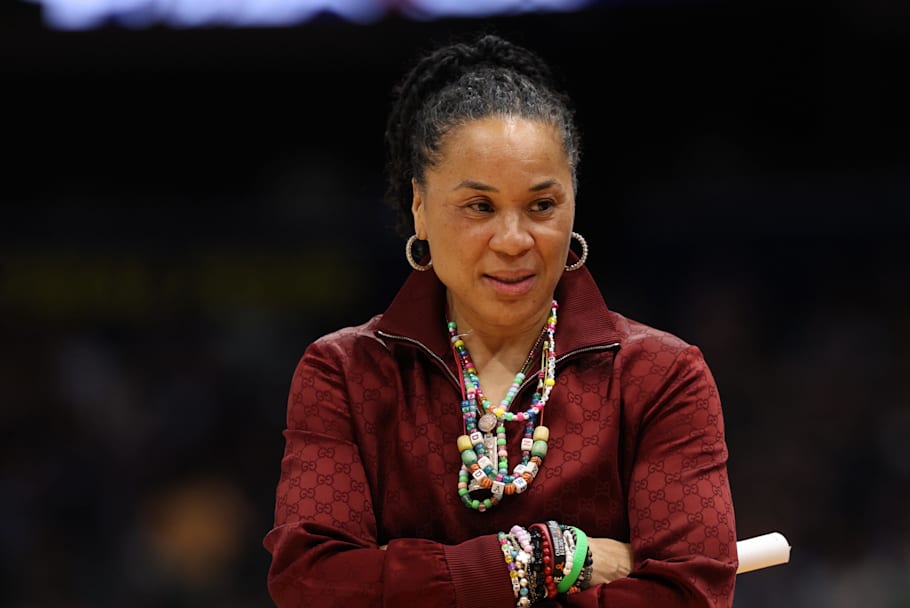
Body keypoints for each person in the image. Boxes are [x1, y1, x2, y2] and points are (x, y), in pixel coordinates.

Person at [262, 31, 738, 607]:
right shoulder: (345, 372)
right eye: (479, 206)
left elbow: (687, 598)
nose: (513, 241)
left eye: (541, 205)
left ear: (574, 203)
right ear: (420, 207)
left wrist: (415, 580)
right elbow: (312, 586)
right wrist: (551, 558)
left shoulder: (661, 377)